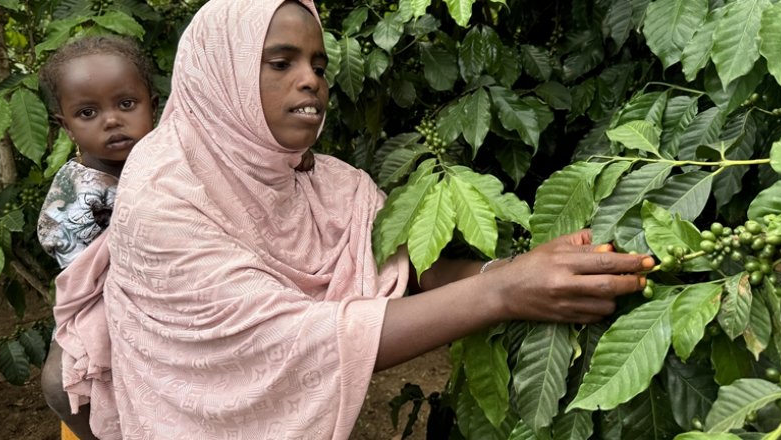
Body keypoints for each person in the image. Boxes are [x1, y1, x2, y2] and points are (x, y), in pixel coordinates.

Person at [53, 0, 652, 438]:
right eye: (280, 62)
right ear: (221, 74)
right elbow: (282, 342)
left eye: (317, 63)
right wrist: (504, 292)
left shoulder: (326, 180)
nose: (309, 78)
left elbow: (401, 268)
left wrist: (516, 269)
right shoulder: (162, 190)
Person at [36, 34, 158, 440]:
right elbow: (81, 272)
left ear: (152, 105)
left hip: (169, 287)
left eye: (126, 104)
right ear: (65, 125)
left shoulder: (167, 161)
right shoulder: (75, 194)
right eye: (88, 112)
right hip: (102, 298)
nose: (111, 120)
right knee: (58, 381)